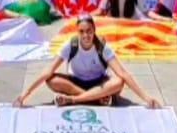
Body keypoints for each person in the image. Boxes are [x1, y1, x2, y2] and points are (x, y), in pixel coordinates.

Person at [13, 14, 161, 108]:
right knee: (52, 80)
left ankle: (73, 100)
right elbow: (48, 71)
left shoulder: (102, 47)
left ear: (94, 31)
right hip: (76, 82)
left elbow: (123, 73)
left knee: (118, 82)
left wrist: (147, 99)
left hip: (99, 83)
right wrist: (24, 95)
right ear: (77, 32)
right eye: (82, 32)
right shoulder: (71, 45)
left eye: (89, 31)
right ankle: (94, 99)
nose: (86, 35)